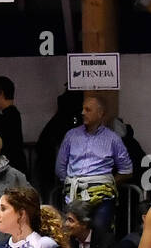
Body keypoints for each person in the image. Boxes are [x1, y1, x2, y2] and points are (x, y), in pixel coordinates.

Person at [55, 95, 132, 234]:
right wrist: (72, 182)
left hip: (102, 198)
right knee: (71, 233)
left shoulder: (113, 139)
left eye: (88, 109)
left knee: (100, 231)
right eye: (83, 109)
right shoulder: (71, 135)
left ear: (100, 113)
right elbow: (60, 167)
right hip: (74, 195)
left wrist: (105, 184)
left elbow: (126, 170)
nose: (83, 113)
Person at [0, 76, 25, 172]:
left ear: (1, 93)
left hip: (12, 167)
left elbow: (8, 146)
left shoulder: (8, 116)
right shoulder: (13, 114)